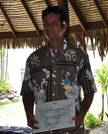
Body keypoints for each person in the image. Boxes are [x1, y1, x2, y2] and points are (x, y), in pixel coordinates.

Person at [20, 6, 96, 134]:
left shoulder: (79, 56)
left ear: (64, 26)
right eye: (46, 24)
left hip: (72, 128)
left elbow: (89, 90)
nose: (49, 27)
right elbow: (27, 91)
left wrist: (81, 116)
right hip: (43, 129)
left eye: (54, 23)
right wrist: (29, 114)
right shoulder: (33, 59)